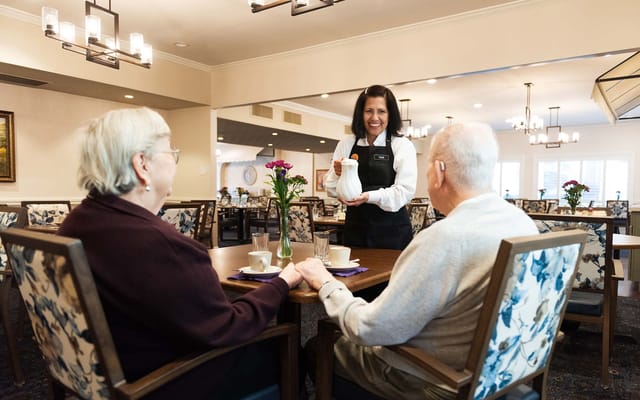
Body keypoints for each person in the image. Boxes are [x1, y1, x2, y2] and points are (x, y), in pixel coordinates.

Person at [58, 107, 303, 400]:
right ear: (142, 164)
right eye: (170, 152)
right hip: (157, 381)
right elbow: (228, 326)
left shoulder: (77, 222)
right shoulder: (159, 244)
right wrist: (283, 282)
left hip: (110, 370)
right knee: (291, 351)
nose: (174, 160)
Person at [296, 122, 538, 399]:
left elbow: (370, 329)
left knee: (318, 345)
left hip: (438, 381)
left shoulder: (444, 237)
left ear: (438, 172)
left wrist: (326, 283)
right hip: (503, 372)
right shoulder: (523, 223)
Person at [324, 84, 417, 250]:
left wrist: (369, 197)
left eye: (381, 111)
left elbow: (404, 192)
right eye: (369, 111)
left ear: (390, 114)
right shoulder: (347, 144)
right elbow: (331, 190)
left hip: (393, 234)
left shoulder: (401, 145)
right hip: (355, 230)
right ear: (361, 113)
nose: (374, 117)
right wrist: (337, 175)